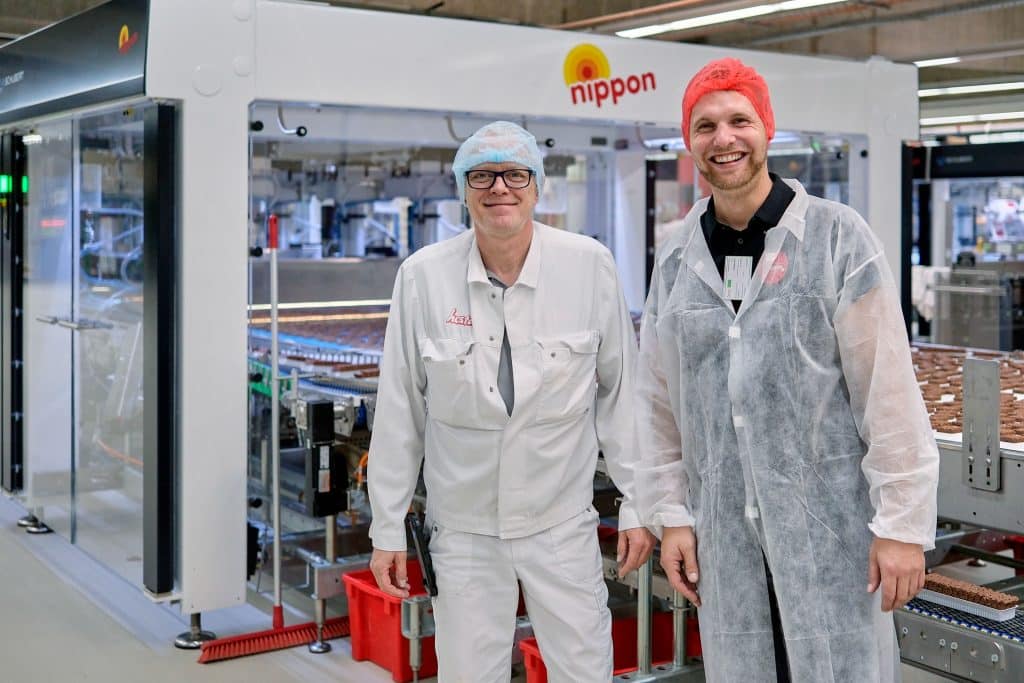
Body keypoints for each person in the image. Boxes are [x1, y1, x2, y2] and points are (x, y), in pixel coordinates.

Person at [634, 58, 939, 683]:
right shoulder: (676, 256)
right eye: (706, 125)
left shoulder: (837, 239)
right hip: (723, 540)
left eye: (739, 120)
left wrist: (903, 525)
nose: (724, 139)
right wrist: (673, 516)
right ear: (689, 142)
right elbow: (657, 404)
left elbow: (887, 391)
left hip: (830, 534)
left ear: (767, 129)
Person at [367, 121, 655, 682]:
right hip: (466, 531)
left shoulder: (587, 265)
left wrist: (639, 504)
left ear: (537, 185)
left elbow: (623, 394)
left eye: (515, 174)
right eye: (482, 175)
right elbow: (400, 409)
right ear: (462, 188)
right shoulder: (423, 277)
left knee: (583, 671)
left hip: (560, 526)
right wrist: (386, 529)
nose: (500, 187)